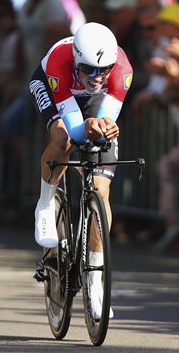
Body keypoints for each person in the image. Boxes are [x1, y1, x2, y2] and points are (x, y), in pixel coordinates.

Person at [31, 22, 133, 318]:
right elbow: (76, 128)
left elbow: (104, 119)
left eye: (103, 70)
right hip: (54, 89)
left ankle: (95, 280)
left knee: (101, 190)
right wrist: (86, 127)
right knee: (63, 139)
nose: (97, 76)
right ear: (76, 59)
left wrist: (105, 127)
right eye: (88, 69)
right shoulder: (59, 60)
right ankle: (45, 203)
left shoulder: (122, 70)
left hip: (93, 104)